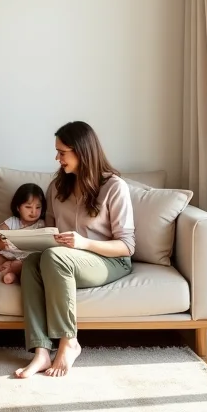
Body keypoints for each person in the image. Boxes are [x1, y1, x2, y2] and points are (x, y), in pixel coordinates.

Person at [15, 121, 135, 379]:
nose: (57, 158)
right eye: (57, 152)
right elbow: (49, 232)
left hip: (109, 259)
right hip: (63, 259)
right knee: (32, 261)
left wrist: (84, 243)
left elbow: (127, 246)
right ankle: (41, 351)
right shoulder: (57, 187)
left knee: (54, 257)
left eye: (62, 152)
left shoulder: (114, 187)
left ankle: (69, 341)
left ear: (82, 151)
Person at [0, 183, 47, 284]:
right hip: (9, 256)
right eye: (28, 207)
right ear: (18, 208)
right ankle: (9, 271)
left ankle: (10, 272)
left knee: (22, 264)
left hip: (27, 259)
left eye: (38, 207)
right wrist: (2, 243)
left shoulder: (42, 224)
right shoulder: (12, 222)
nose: (34, 211)